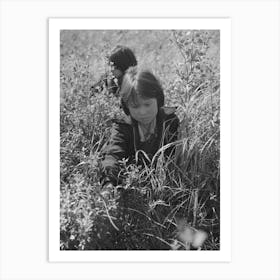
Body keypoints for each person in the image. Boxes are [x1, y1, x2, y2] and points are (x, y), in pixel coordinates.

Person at [100, 66, 180, 188]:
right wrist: (109, 181)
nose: (143, 112)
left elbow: (172, 158)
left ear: (158, 100)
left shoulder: (169, 121)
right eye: (135, 106)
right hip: (131, 182)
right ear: (127, 107)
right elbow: (114, 154)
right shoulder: (123, 126)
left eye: (147, 104)